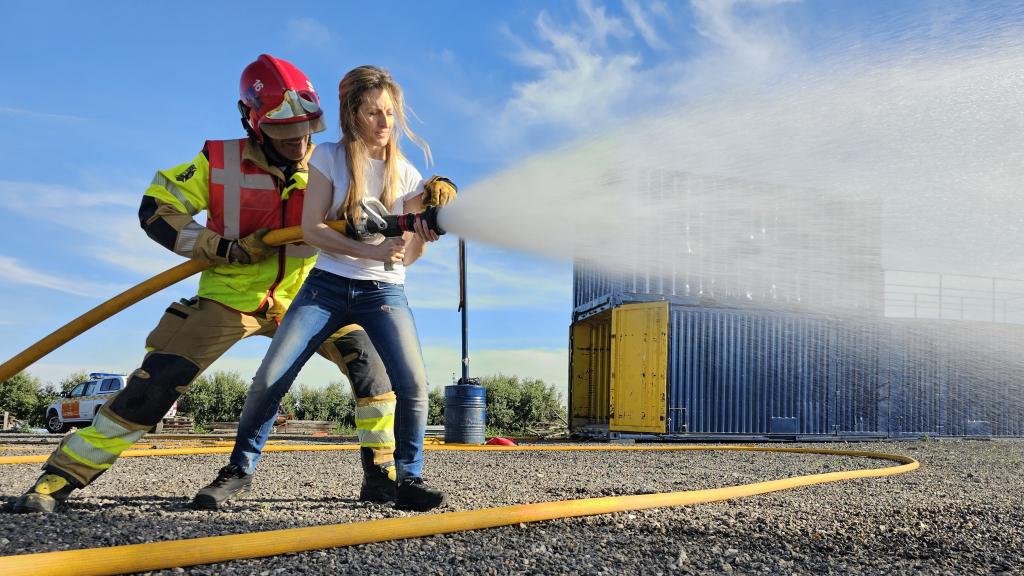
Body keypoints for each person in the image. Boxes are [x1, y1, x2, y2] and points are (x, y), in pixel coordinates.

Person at [13, 54, 399, 513]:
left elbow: (381, 200)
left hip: (308, 297)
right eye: (283, 132)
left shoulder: (332, 163)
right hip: (227, 297)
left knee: (370, 366)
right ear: (251, 122)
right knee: (157, 383)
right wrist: (216, 245)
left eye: (306, 130)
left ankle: (381, 475)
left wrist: (435, 189)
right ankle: (59, 479)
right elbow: (156, 207)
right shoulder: (219, 161)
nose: (298, 142)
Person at [196, 65, 457, 512]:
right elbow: (311, 228)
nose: (384, 123)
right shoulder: (328, 158)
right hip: (327, 285)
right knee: (271, 378)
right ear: (353, 114)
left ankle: (408, 479)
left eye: (390, 114)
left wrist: (424, 231)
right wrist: (373, 252)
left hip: (384, 293)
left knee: (413, 384)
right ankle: (238, 471)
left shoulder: (410, 176)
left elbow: (406, 256)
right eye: (374, 113)